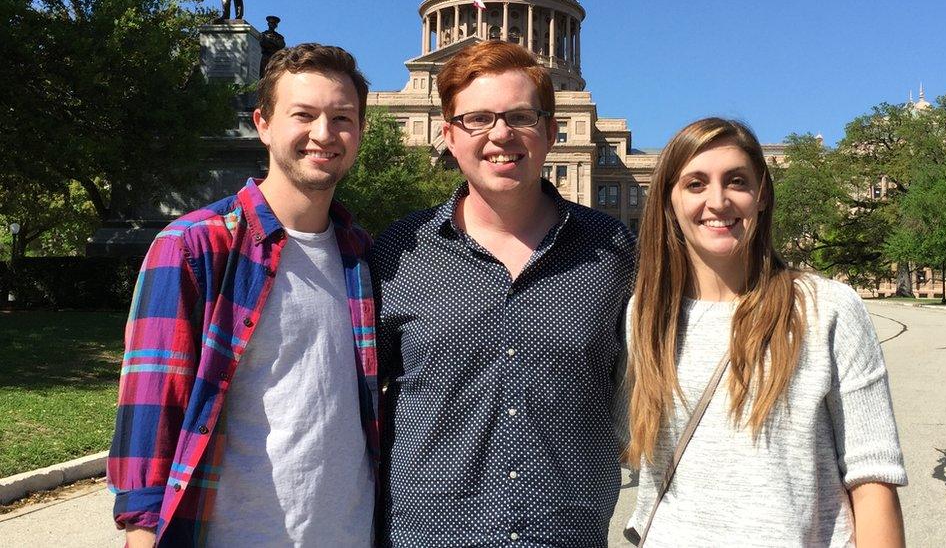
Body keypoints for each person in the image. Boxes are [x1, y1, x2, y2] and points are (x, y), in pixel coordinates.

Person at [107, 44, 378, 547]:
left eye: (342, 117)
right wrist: (142, 533)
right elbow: (150, 403)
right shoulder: (192, 245)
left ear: (360, 131)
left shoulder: (362, 255)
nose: (324, 134)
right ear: (264, 123)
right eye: (304, 115)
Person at [370, 40, 635, 546]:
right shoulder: (397, 252)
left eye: (521, 117)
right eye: (478, 119)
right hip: (426, 535)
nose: (500, 135)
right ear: (448, 134)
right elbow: (350, 399)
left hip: (564, 534)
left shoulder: (615, 250)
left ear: (552, 131)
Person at [624, 117, 907, 546]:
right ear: (668, 201)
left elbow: (873, 480)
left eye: (736, 181)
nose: (717, 201)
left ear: (761, 196)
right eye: (695, 184)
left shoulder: (826, 309)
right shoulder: (646, 316)